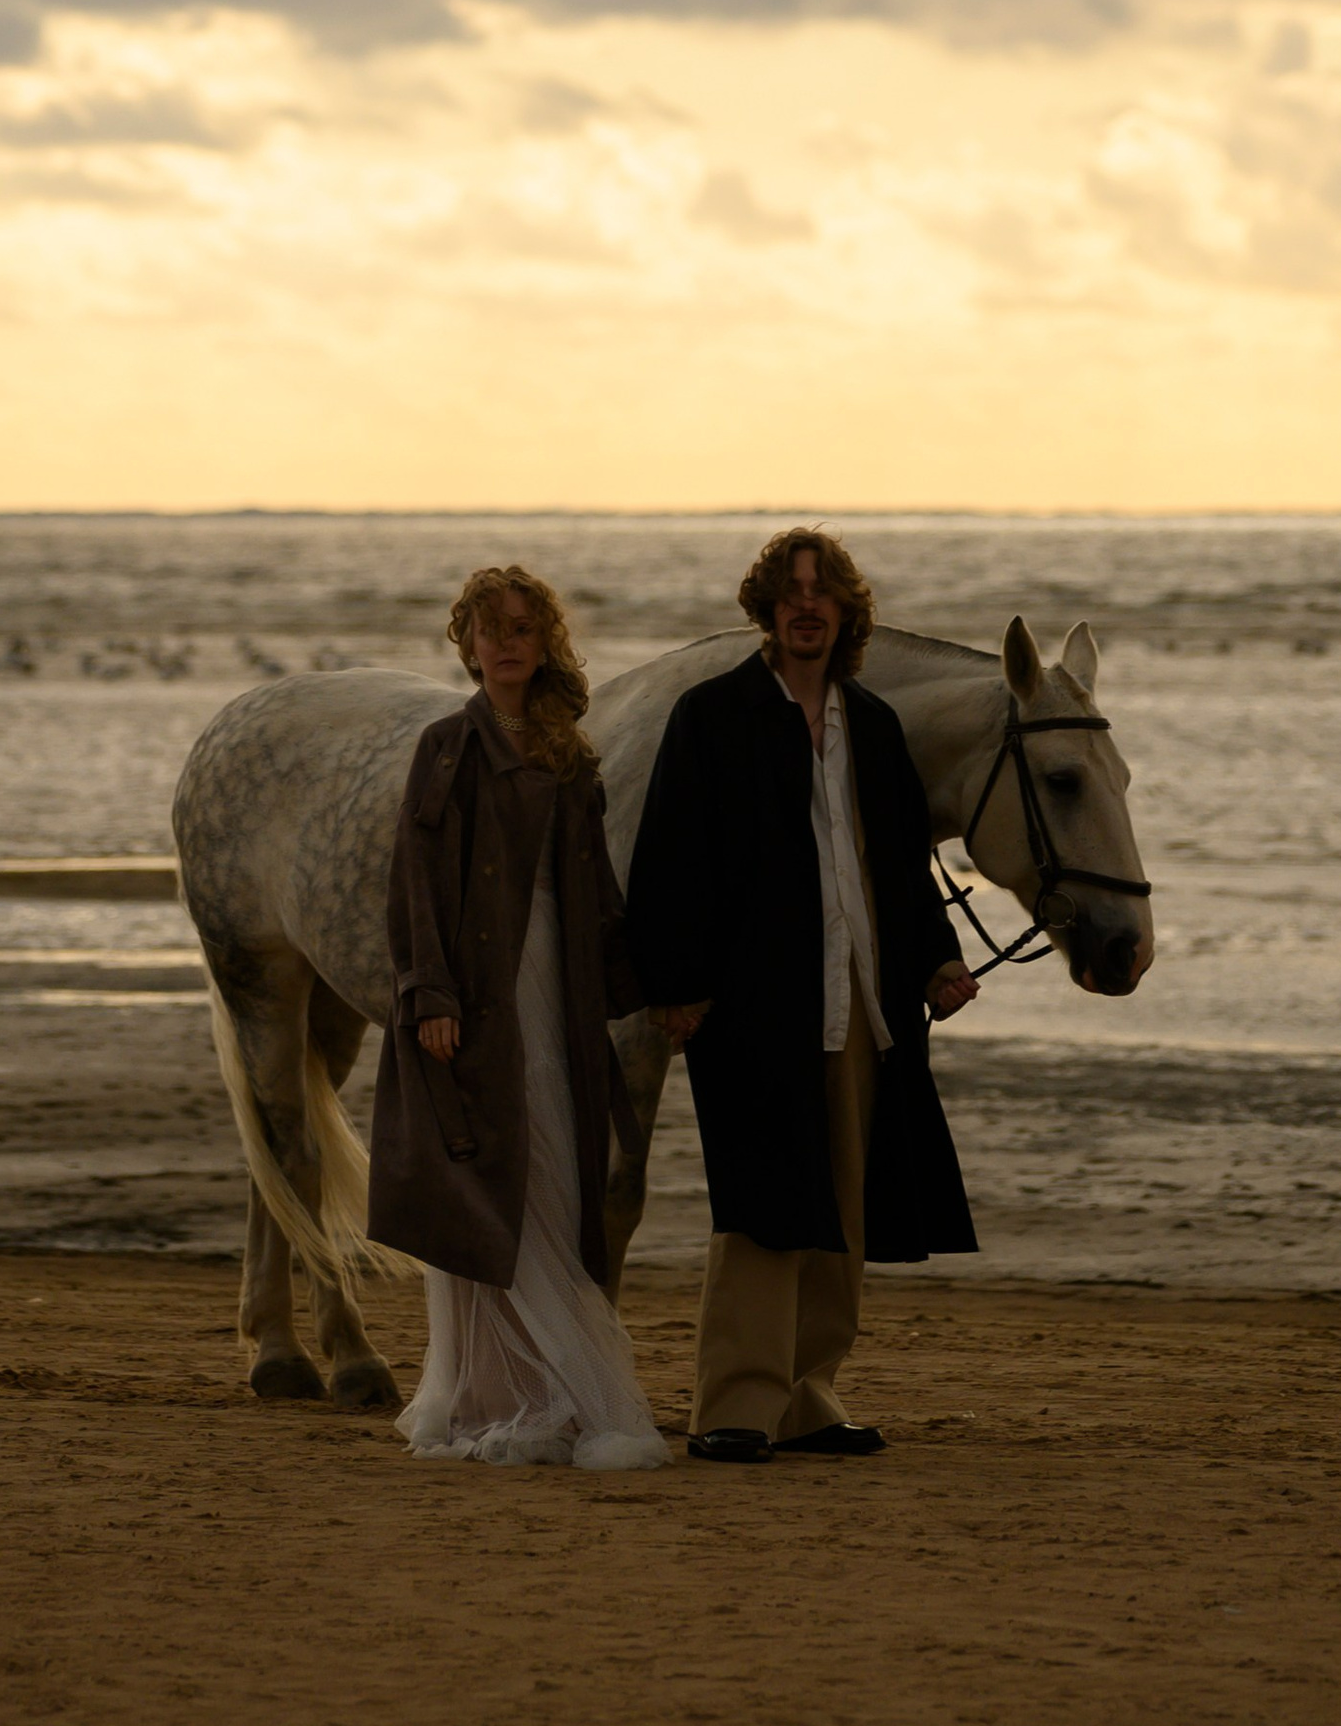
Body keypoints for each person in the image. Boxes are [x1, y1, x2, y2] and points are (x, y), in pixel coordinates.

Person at [623, 524, 978, 1461]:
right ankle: (735, 1403)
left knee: (844, 1206)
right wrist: (676, 985)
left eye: (823, 592)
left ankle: (808, 1393)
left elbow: (907, 868)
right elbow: (671, 858)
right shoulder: (712, 716)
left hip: (862, 1001)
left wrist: (936, 959)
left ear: (847, 613)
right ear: (768, 612)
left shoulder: (875, 726)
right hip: (752, 1003)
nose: (807, 606)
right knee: (761, 1202)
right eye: (792, 593)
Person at [367, 564, 668, 1470]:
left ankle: (548, 1391)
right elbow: (414, 883)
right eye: (490, 628)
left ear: (546, 646)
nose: (506, 642)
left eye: (522, 629)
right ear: (467, 644)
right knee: (488, 1185)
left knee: (553, 1179)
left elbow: (603, 891)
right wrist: (429, 996)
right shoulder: (445, 748)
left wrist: (654, 987)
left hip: (557, 986)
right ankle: (493, 1396)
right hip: (476, 995)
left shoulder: (569, 752)